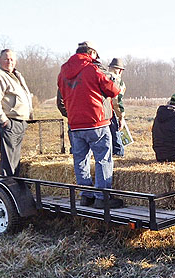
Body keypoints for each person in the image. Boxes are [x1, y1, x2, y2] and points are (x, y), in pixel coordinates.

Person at [57, 41, 123, 209]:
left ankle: (86, 196)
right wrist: (111, 77)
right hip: (96, 122)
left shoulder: (63, 72)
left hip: (75, 125)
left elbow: (61, 100)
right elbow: (113, 90)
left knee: (80, 160)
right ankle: (102, 197)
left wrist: (72, 115)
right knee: (103, 159)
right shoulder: (93, 69)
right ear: (92, 53)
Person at [0, 49, 33, 176]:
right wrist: (3, 120)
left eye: (12, 59)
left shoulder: (16, 75)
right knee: (8, 158)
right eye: (6, 59)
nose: (9, 62)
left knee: (15, 157)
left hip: (20, 121)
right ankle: (9, 186)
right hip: (10, 121)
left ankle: (14, 184)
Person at [108, 57, 126, 156]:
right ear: (119, 70)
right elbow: (117, 100)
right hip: (110, 112)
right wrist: (121, 117)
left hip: (98, 113)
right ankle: (118, 155)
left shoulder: (100, 76)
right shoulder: (117, 81)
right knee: (116, 135)